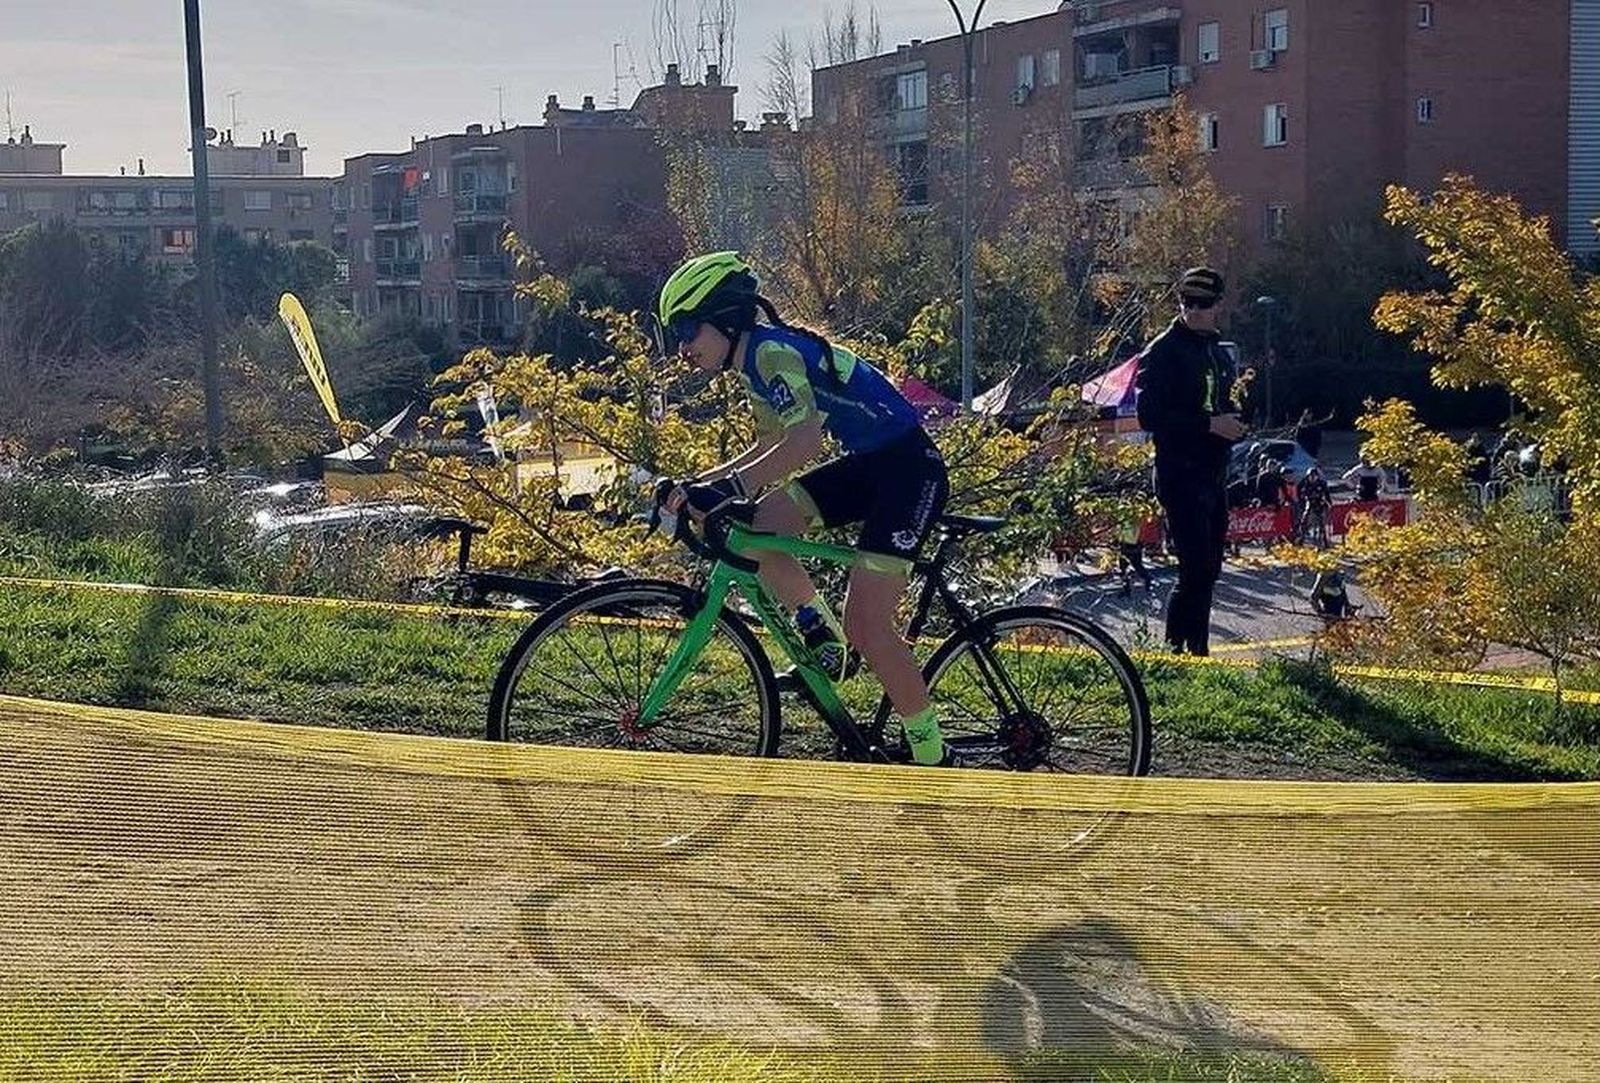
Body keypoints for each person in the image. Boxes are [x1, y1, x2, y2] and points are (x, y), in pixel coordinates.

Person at [656, 252, 951, 766]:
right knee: (761, 523)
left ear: (725, 317)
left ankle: (933, 757)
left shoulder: (772, 354)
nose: (682, 348)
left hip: (909, 473)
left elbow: (805, 442)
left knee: (869, 626)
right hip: (871, 465)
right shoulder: (754, 362)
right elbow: (770, 445)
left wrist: (725, 488)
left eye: (686, 329)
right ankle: (822, 636)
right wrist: (696, 486)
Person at [1135, 266, 1245, 657]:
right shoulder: (1164, 352)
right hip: (1180, 472)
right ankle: (1180, 650)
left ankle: (1196, 649)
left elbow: (1223, 402)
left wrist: (1234, 422)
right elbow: (1149, 415)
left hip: (1214, 470)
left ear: (1218, 306)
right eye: (1187, 303)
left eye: (1202, 304)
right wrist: (1210, 424)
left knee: (1210, 567)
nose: (1194, 311)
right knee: (1194, 566)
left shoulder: (1217, 352)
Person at [1115, 508, 1153, 598]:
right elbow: (1119, 530)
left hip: (1133, 546)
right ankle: (1126, 589)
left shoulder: (1135, 519)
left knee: (1137, 566)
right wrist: (1118, 540)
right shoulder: (1122, 516)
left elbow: (1136, 534)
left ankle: (1148, 579)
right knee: (1123, 568)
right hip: (1125, 545)